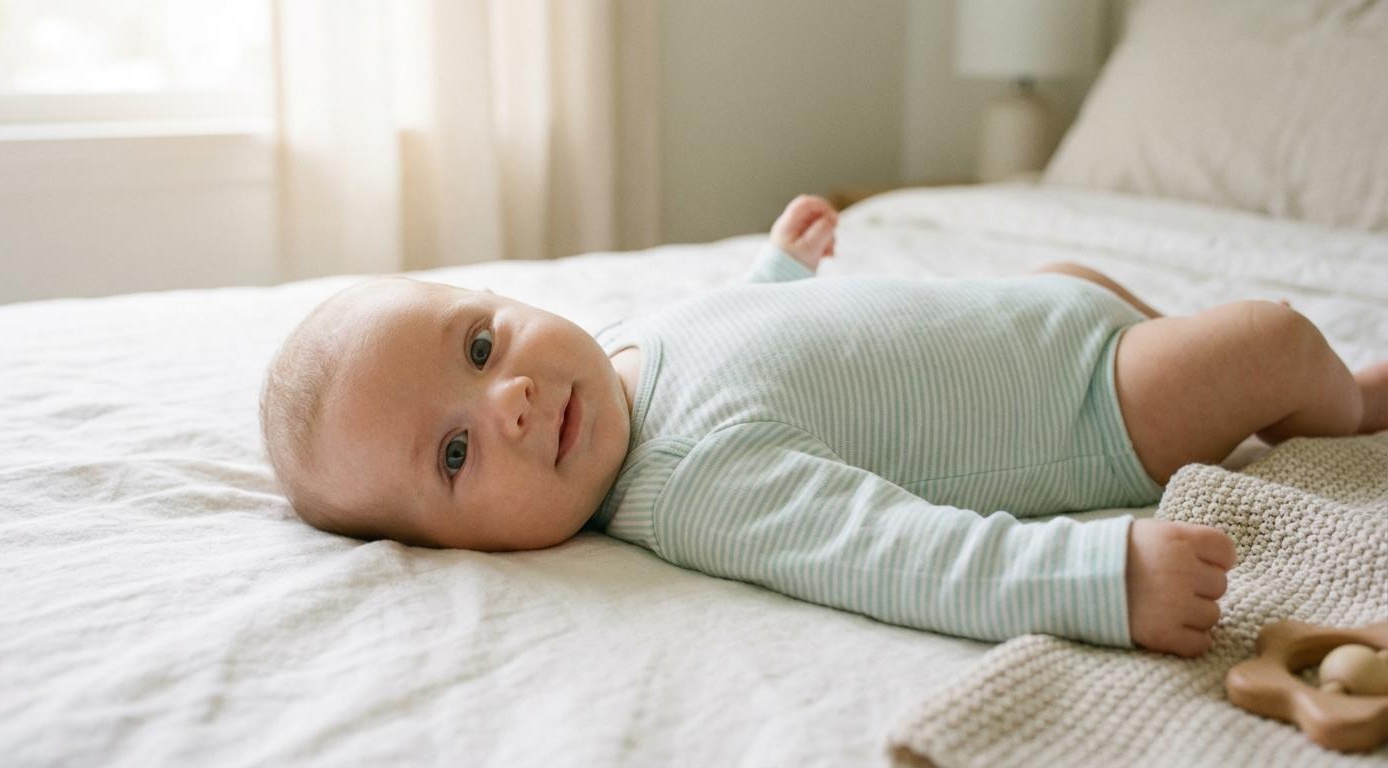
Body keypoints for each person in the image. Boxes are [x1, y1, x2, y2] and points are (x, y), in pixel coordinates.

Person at [260, 195, 1388, 658]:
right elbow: (891, 550)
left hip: (1039, 310)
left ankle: (1238, 371)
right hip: (1090, 401)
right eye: (454, 454)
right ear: (449, 547)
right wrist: (1099, 579)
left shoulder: (619, 363)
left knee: (1073, 269)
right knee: (1266, 341)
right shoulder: (698, 485)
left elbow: (743, 335)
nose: (504, 398)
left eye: (478, 344)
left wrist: (776, 268)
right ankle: (1344, 403)